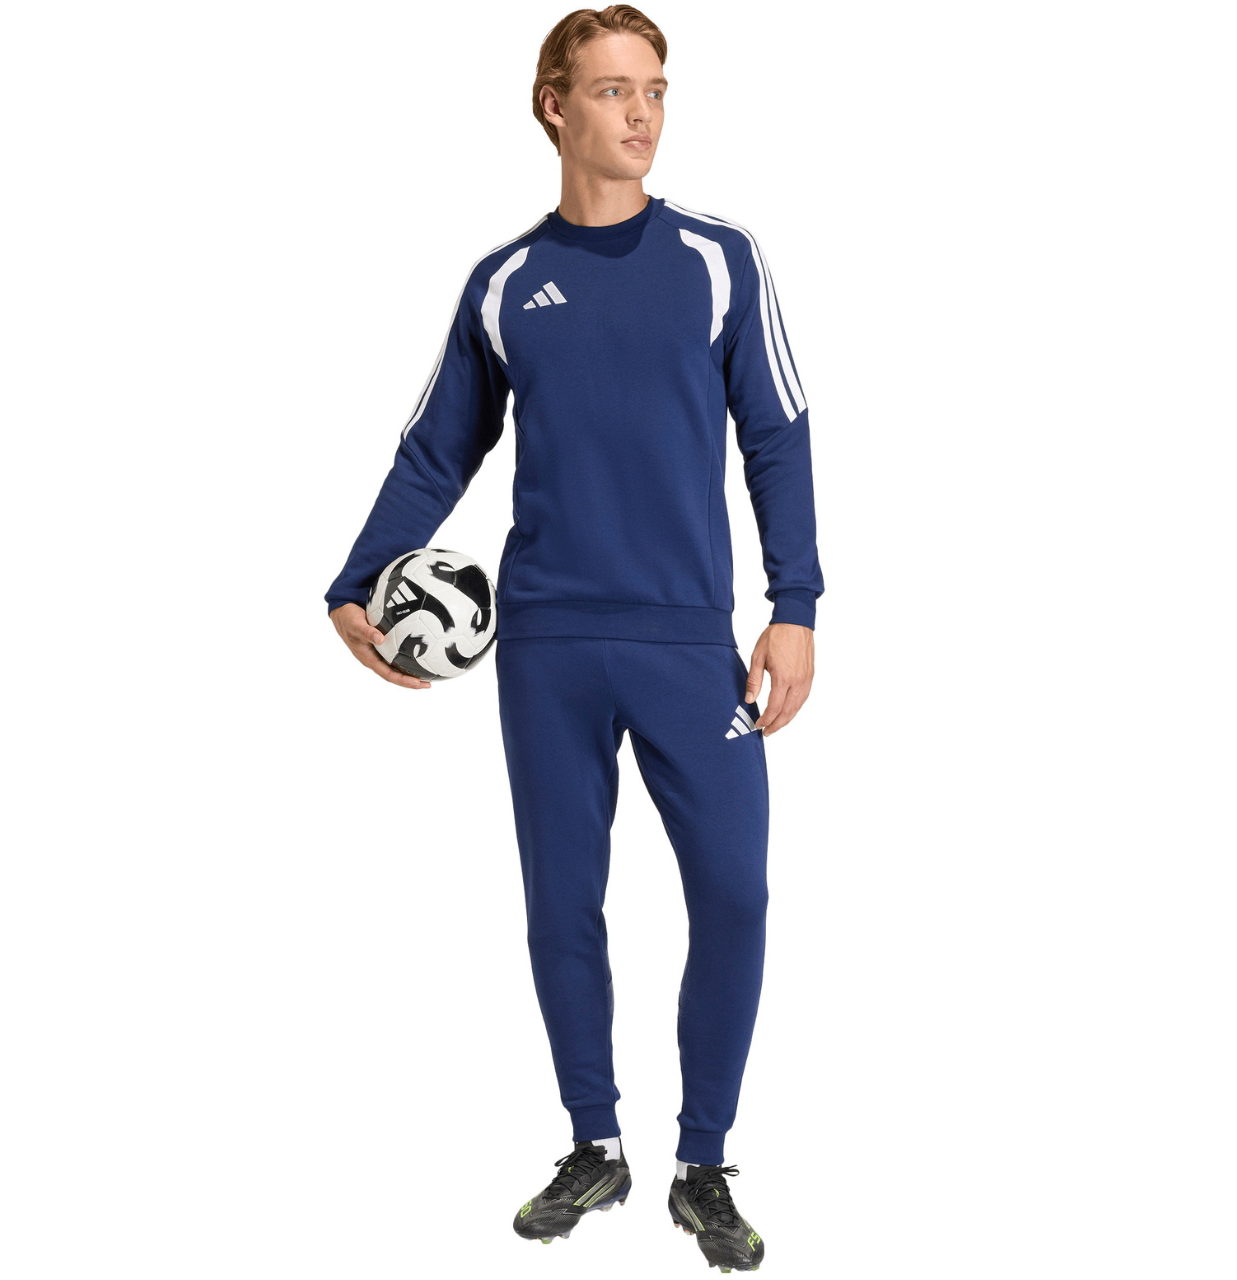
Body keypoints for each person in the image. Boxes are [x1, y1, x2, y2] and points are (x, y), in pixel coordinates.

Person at [325, 6, 822, 1271]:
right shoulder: (502, 282)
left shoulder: (719, 258)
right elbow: (435, 447)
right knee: (561, 900)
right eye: (611, 90)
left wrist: (794, 603)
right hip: (545, 639)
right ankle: (592, 1141)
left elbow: (777, 433)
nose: (641, 112)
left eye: (654, 88)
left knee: (735, 890)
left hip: (685, 638)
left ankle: (701, 1160)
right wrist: (354, 580)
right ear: (553, 105)